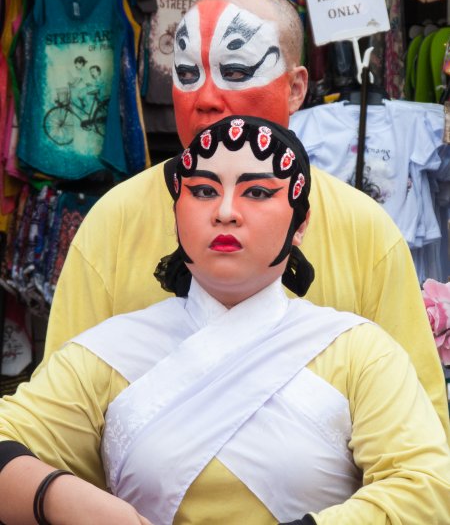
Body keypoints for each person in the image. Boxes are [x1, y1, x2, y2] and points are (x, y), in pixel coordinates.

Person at [41, 0, 450, 442]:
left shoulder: (365, 228)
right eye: (187, 74)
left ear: (296, 88)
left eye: (235, 70)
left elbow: (420, 438)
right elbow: (60, 421)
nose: (206, 99)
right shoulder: (114, 220)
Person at [1, 116, 449, 525]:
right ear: (176, 210)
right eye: (203, 190)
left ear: (301, 222)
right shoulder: (106, 354)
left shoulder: (359, 352)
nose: (225, 211)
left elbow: (427, 488)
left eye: (256, 192)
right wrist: (60, 499)